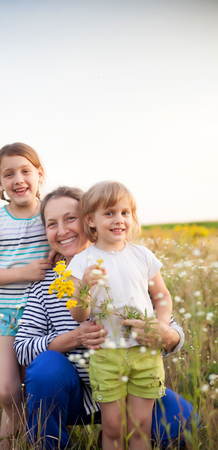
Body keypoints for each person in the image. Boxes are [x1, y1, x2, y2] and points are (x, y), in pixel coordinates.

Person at [14, 186, 194, 450]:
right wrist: (74, 337)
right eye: (52, 224)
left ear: (88, 220)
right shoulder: (44, 284)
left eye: (70, 218)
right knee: (46, 370)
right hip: (77, 394)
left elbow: (165, 317)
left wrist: (166, 333)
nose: (62, 230)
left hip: (132, 377)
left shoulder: (130, 258)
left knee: (185, 421)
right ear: (94, 218)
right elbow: (23, 349)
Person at [67, 181, 172, 450]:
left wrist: (159, 327)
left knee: (140, 425)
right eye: (110, 213)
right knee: (113, 425)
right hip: (106, 355)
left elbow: (162, 296)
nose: (119, 220)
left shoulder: (143, 255)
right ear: (90, 219)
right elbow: (80, 314)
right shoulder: (83, 260)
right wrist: (85, 286)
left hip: (145, 353)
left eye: (125, 213)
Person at [0, 143, 53, 448]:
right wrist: (24, 272)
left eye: (25, 171)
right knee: (7, 391)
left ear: (39, 174)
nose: (18, 179)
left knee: (29, 389)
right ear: (0, 183)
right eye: (9, 174)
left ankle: (13, 443)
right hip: (2, 314)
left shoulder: (50, 212)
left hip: (40, 314)